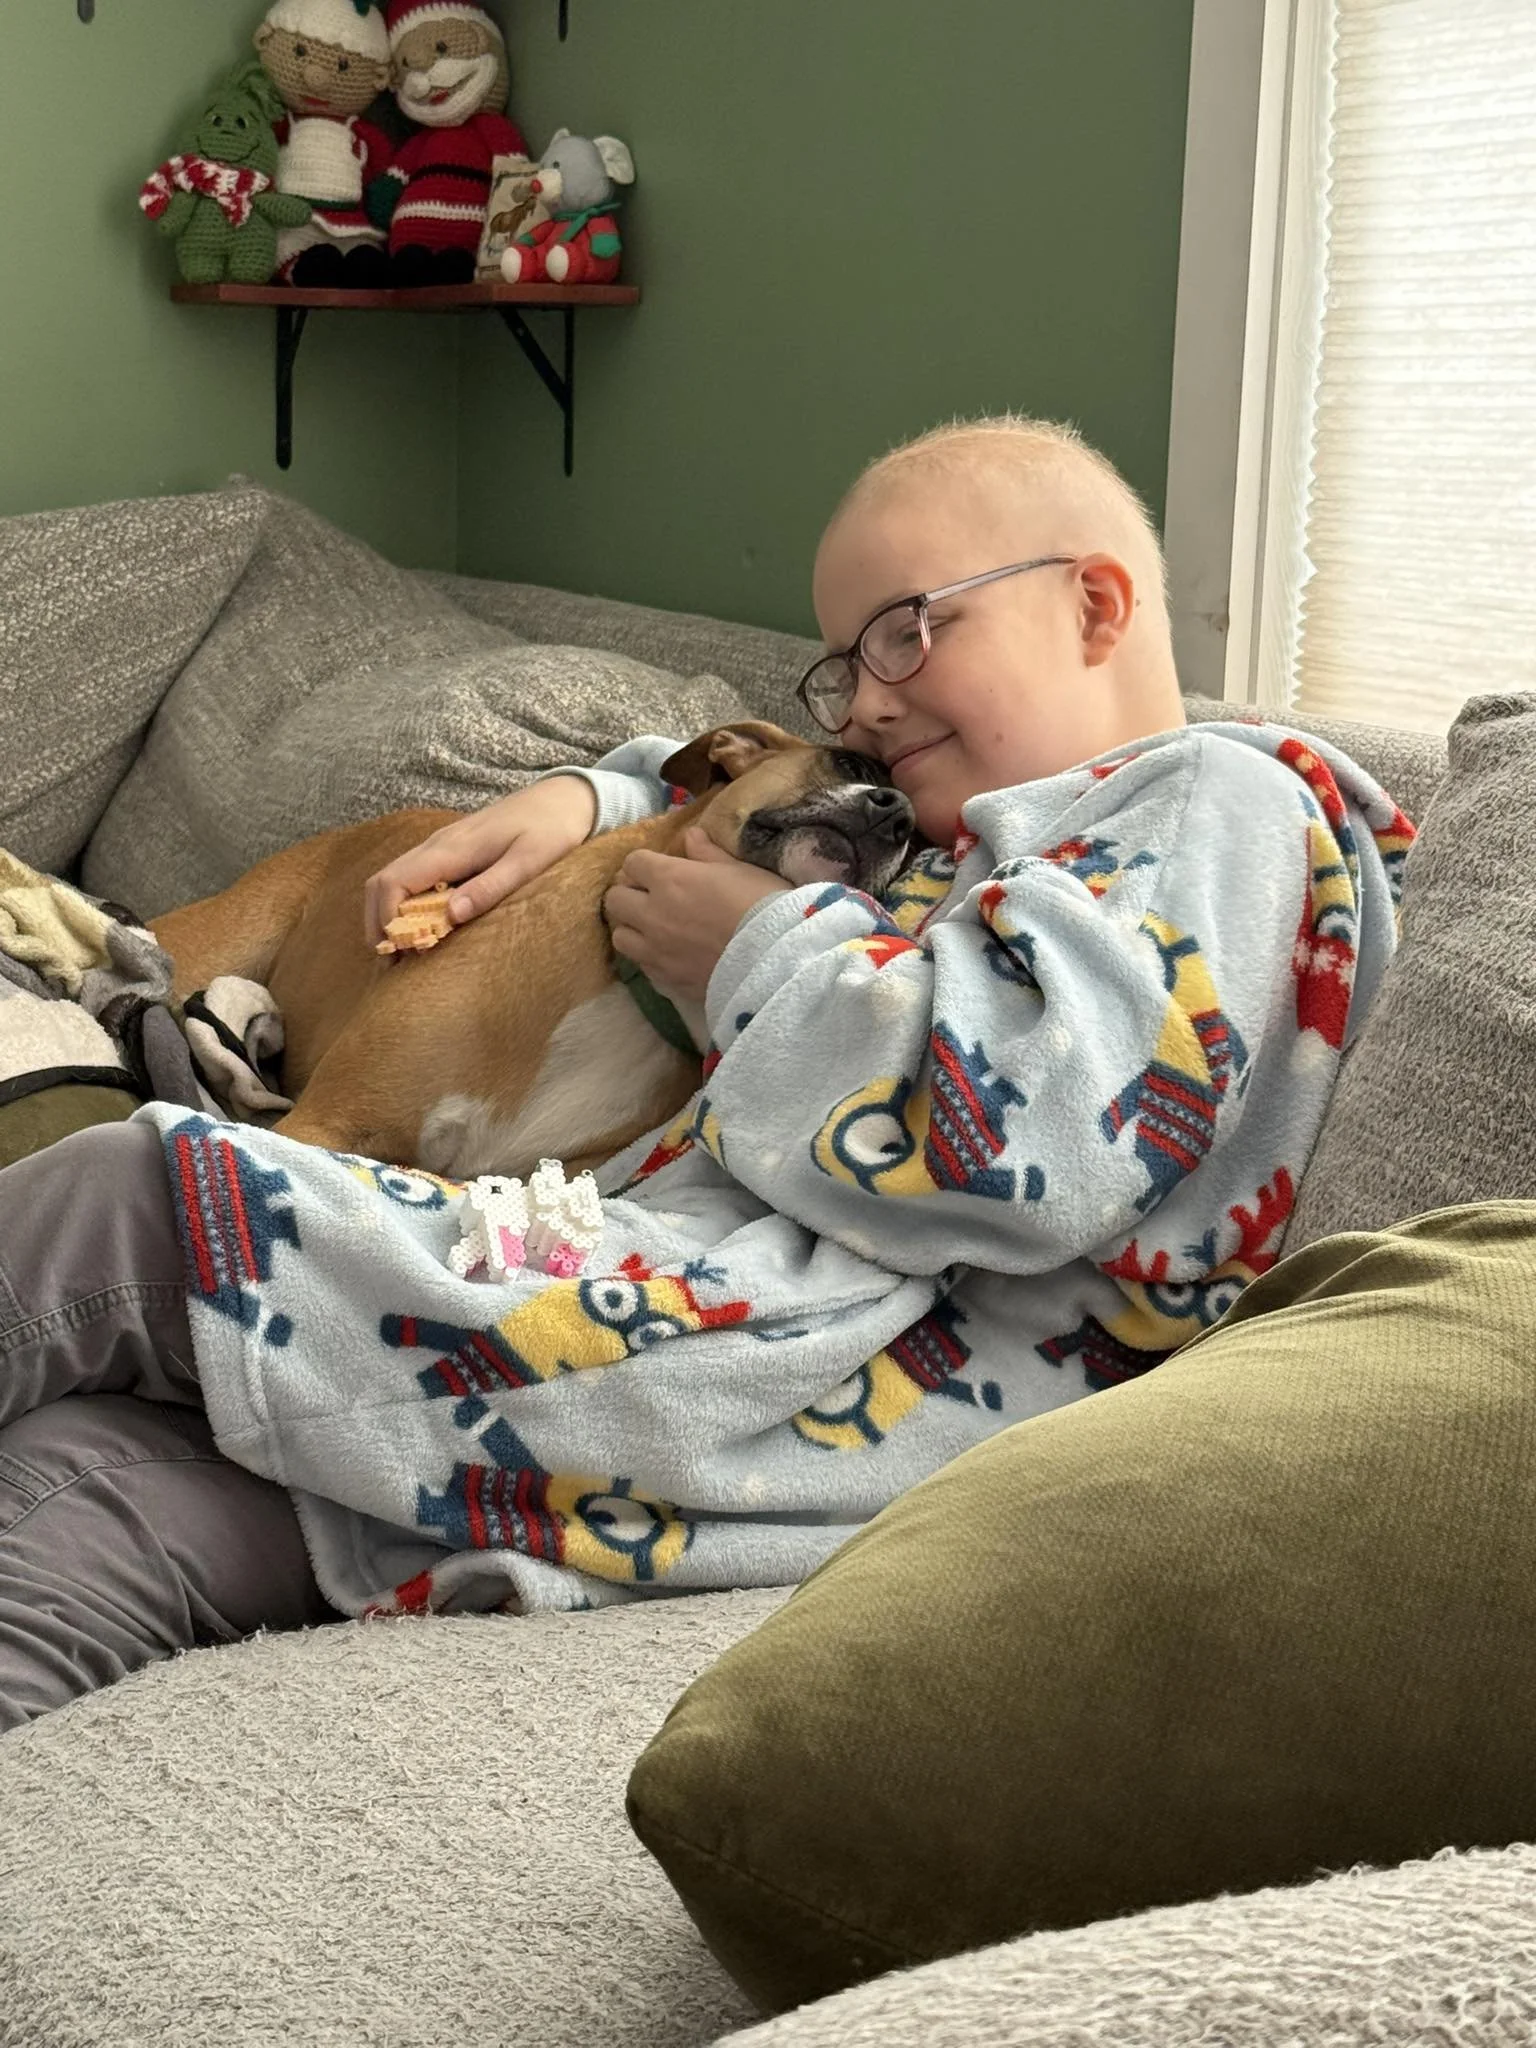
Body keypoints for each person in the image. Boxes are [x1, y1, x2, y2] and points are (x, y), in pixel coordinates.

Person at [0, 416, 1413, 1732]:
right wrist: (597, 797)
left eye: (908, 634)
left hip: (765, 1363)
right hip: (659, 1394)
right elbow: (769, 788)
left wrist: (755, 954)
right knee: (80, 1498)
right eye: (842, 667)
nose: (866, 699)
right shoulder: (982, 839)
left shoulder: (1210, 803)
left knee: (130, 1199)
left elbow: (1025, 1140)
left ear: (1096, 605)